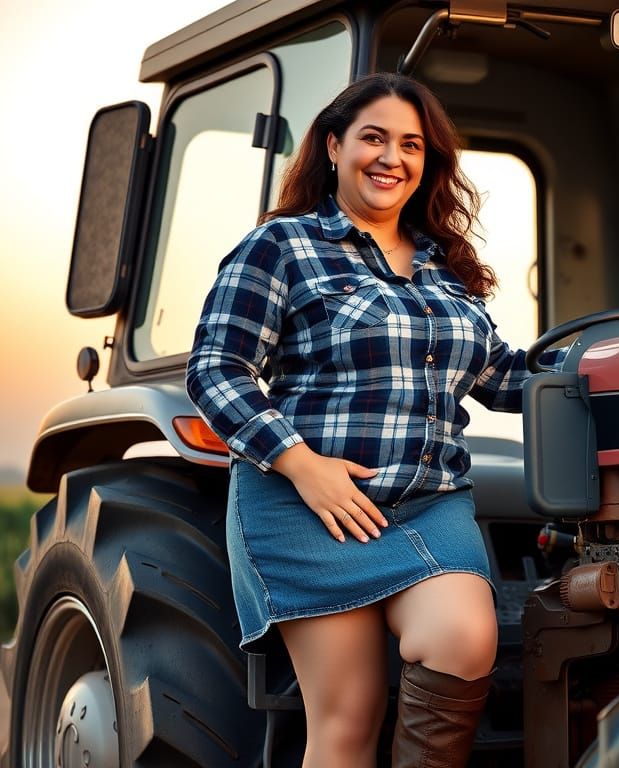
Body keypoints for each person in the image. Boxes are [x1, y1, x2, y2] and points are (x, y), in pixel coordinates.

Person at [186, 73, 545, 767]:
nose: (391, 158)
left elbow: (502, 377)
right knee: (348, 720)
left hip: (429, 505)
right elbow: (215, 370)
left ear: (428, 162)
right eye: (373, 138)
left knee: (465, 638)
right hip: (311, 505)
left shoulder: (448, 270)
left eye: (411, 144)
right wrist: (303, 466)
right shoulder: (283, 247)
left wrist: (611, 371)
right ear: (333, 145)